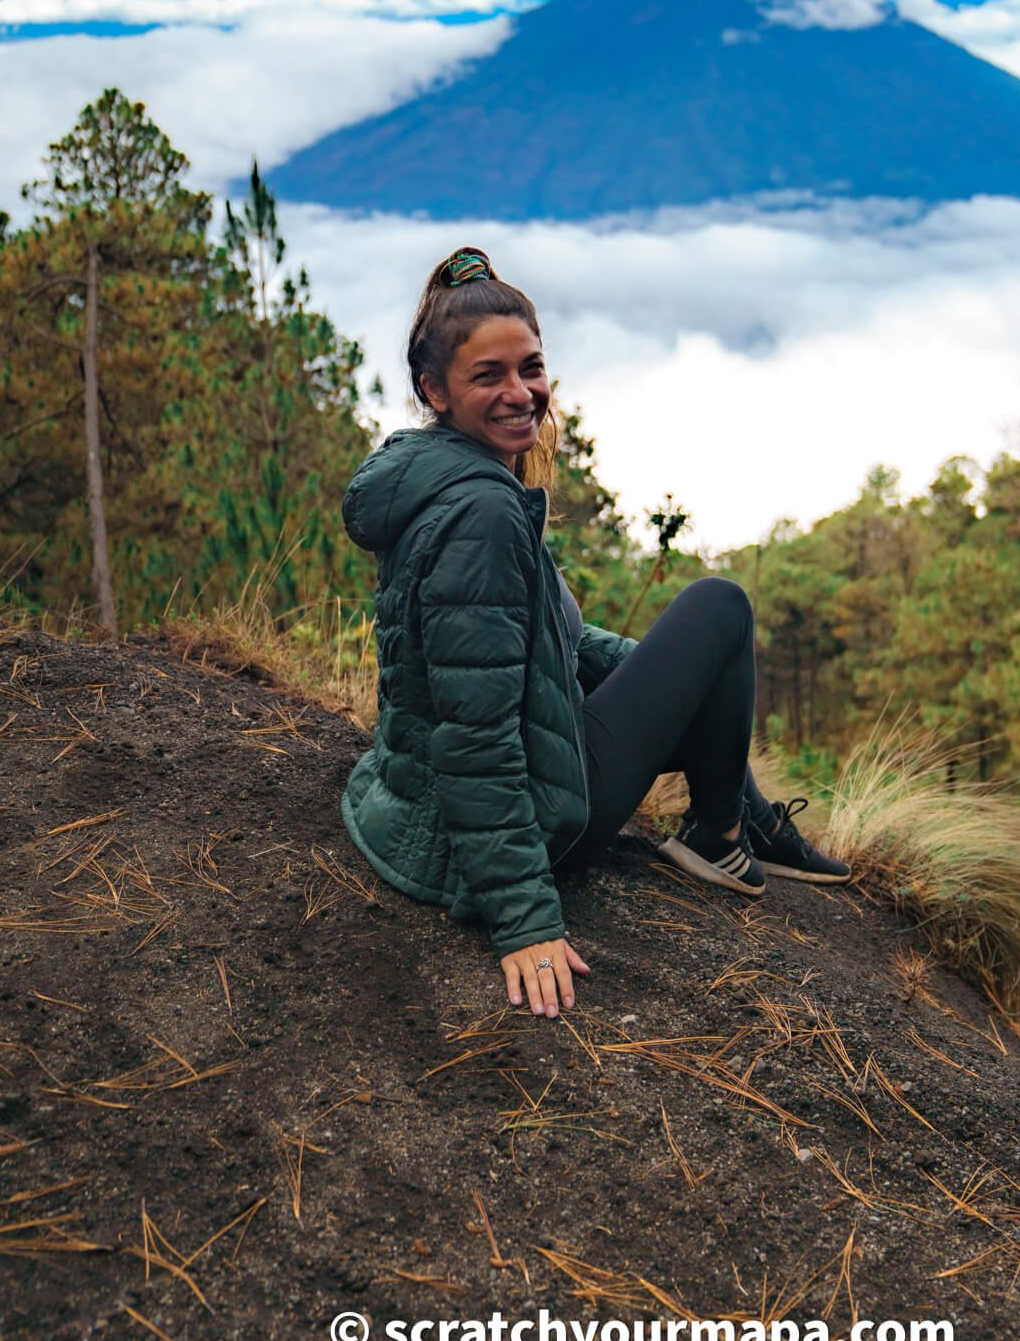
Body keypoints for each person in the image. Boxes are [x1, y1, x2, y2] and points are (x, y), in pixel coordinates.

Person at [340, 244, 849, 1021]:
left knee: (694, 648)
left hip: (420, 807)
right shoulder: (482, 514)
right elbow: (474, 736)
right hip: (519, 822)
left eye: (531, 368)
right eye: (489, 377)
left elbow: (552, 643)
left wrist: (678, 688)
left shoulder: (439, 473)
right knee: (719, 603)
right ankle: (718, 836)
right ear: (433, 389)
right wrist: (523, 919)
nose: (521, 394)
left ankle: (739, 820)